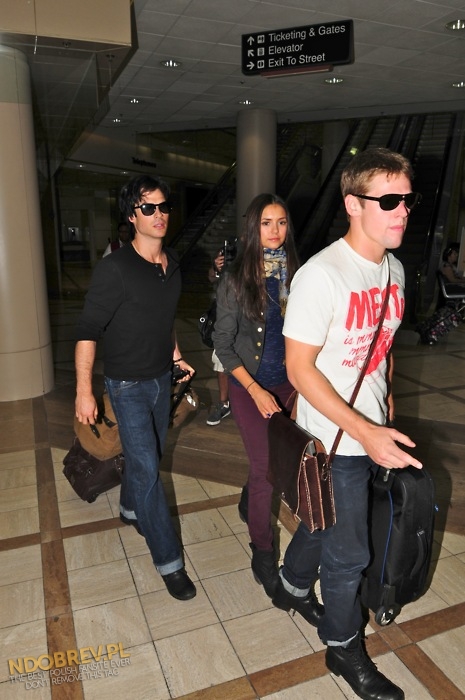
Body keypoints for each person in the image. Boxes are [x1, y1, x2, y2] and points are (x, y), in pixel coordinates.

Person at [275, 148, 423, 700]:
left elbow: (382, 348)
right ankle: (342, 647)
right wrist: (364, 431)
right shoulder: (320, 276)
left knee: (323, 520)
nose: (402, 210)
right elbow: (298, 368)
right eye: (389, 200)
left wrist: (386, 406)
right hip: (332, 438)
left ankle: (291, 584)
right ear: (353, 204)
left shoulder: (394, 269)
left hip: (370, 428)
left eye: (407, 199)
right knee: (350, 553)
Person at [74, 175, 197, 602]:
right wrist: (84, 391)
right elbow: (87, 330)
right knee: (147, 469)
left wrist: (176, 356)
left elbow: (164, 318)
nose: (159, 215)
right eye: (148, 208)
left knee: (149, 458)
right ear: (132, 215)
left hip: (161, 379)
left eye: (163, 207)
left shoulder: (172, 263)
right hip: (126, 385)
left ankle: (129, 508)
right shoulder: (115, 269)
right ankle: (169, 562)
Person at [213, 194, 299, 597]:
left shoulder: (298, 273)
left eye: (281, 222)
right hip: (249, 386)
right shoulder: (235, 279)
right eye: (266, 223)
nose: (275, 231)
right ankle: (263, 554)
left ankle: (250, 498)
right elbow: (223, 344)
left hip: (289, 384)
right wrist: (254, 389)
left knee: (283, 462)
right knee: (265, 469)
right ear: (253, 228)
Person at [205, 241, 237, 426]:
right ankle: (224, 403)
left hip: (250, 317)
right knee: (220, 361)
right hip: (225, 315)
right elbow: (212, 277)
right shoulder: (226, 252)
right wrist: (216, 268)